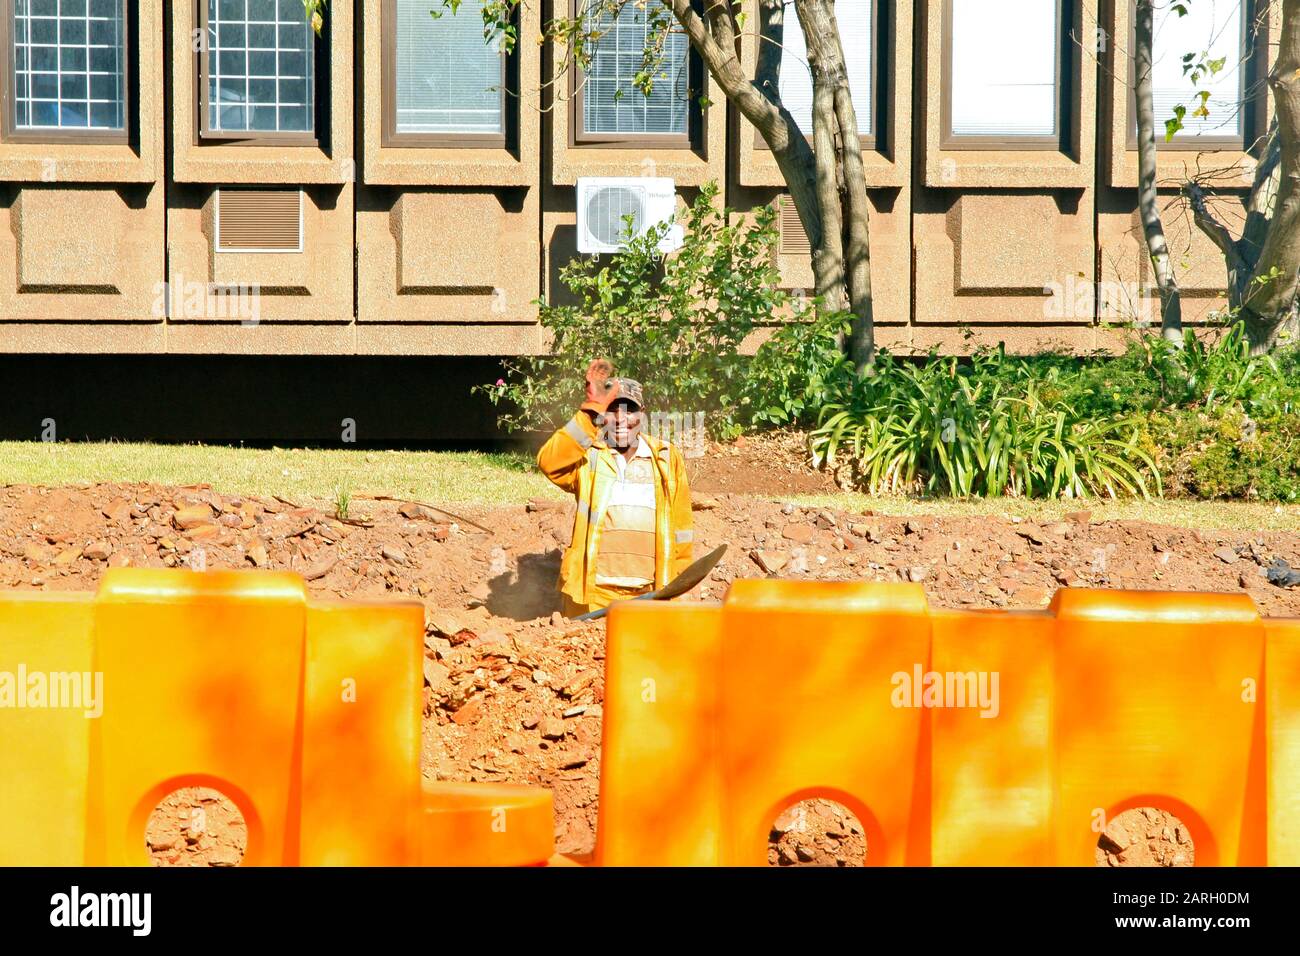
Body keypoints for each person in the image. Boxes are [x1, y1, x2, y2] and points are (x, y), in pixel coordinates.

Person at [537, 359, 694, 617]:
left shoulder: (666, 457)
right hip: (593, 594)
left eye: (629, 409)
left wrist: (683, 584)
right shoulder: (589, 457)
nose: (621, 419)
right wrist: (589, 412)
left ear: (642, 412)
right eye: (611, 409)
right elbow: (549, 462)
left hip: (650, 595)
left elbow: (681, 529)